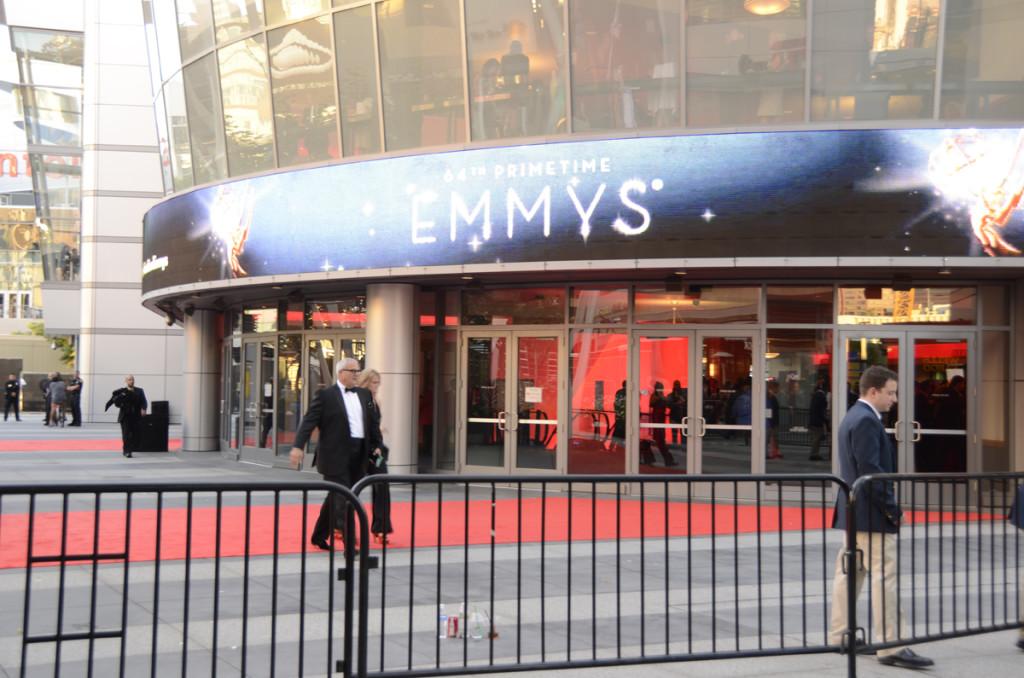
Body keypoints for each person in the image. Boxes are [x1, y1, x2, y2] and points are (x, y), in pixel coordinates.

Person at [828, 365, 934, 669]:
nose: (894, 399)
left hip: (855, 512)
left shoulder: (854, 416)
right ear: (873, 391)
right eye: (890, 392)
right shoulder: (865, 421)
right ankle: (891, 645)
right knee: (883, 575)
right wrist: (892, 509)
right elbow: (871, 473)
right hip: (870, 514)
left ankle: (841, 635)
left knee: (850, 573)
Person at [289, 358, 382, 554]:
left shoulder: (364, 395)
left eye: (358, 371)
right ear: (341, 373)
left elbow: (372, 423)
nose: (357, 374)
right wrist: (298, 446)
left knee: (338, 496)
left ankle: (318, 535)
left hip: (359, 454)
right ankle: (350, 544)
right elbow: (308, 421)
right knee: (345, 498)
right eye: (353, 371)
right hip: (334, 455)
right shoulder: (325, 396)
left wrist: (377, 445)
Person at [359, 368, 392, 544]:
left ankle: (381, 528)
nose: (377, 386)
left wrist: (378, 444)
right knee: (346, 487)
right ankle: (336, 524)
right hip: (359, 450)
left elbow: (374, 428)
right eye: (374, 382)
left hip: (376, 451)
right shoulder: (359, 400)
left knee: (382, 486)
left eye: (378, 383)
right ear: (365, 382)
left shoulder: (375, 401)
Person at [105, 375, 147, 458]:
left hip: (135, 416)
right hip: (125, 416)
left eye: (132, 379)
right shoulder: (122, 391)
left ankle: (131, 448)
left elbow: (144, 401)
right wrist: (121, 404)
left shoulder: (140, 391)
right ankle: (127, 451)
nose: (131, 381)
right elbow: (116, 403)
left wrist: (144, 408)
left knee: (135, 434)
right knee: (126, 434)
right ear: (126, 381)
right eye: (129, 380)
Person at [808, 376, 829, 461]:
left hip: (814, 419)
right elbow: (821, 409)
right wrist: (825, 419)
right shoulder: (820, 395)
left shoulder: (816, 395)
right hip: (817, 420)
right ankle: (814, 454)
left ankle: (814, 453)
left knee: (816, 438)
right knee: (817, 438)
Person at [765, 380, 781, 459]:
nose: (779, 390)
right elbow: (769, 409)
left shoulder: (770, 396)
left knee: (772, 437)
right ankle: (771, 453)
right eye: (777, 388)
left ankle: (773, 452)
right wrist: (770, 422)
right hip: (771, 421)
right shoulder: (770, 397)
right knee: (770, 437)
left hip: (771, 421)